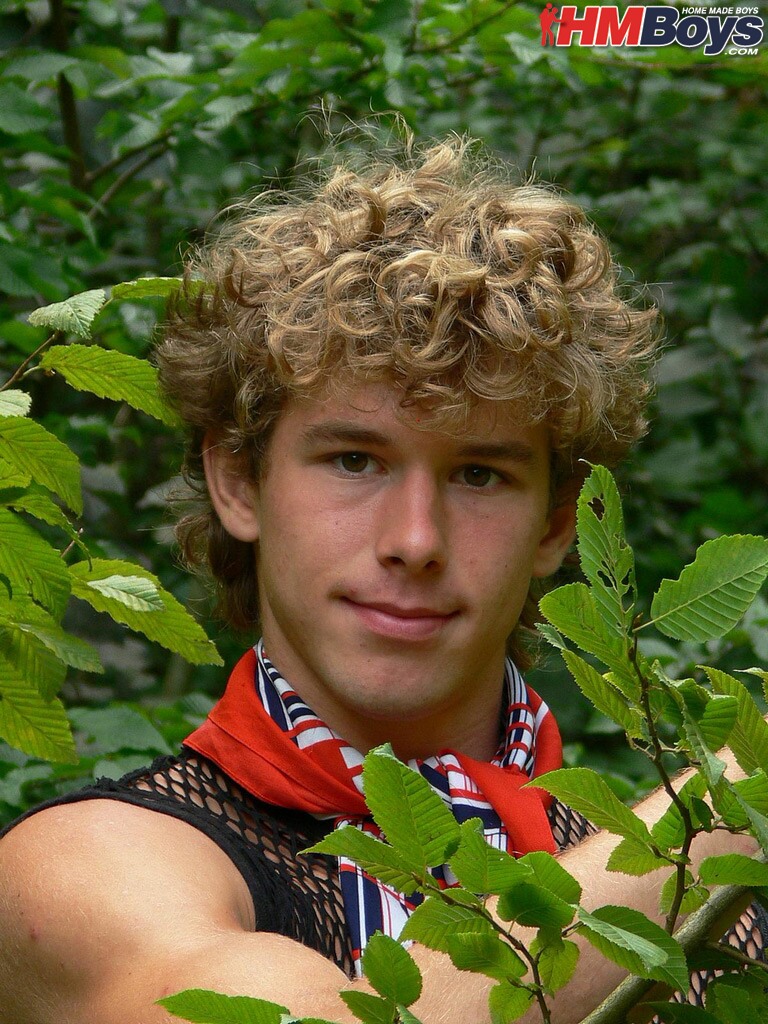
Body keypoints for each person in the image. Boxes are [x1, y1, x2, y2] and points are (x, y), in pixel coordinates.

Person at [0, 136, 761, 1024]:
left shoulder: (719, 899)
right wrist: (740, 792)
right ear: (239, 480)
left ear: (558, 523)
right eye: (355, 460)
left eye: (479, 474)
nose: (415, 541)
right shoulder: (79, 870)